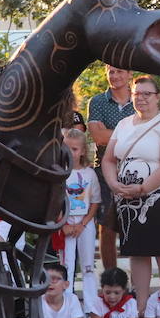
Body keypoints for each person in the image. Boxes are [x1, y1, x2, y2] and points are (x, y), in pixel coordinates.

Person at [101, 75, 160, 309]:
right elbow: (108, 160)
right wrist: (113, 184)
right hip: (128, 201)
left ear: (158, 97)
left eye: (147, 94)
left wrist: (143, 188)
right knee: (138, 254)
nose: (141, 99)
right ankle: (140, 306)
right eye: (137, 93)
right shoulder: (124, 124)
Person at [87, 65, 135, 270]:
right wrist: (133, 133)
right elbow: (97, 136)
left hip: (136, 170)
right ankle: (111, 278)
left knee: (135, 226)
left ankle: (136, 281)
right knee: (107, 226)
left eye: (120, 71)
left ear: (130, 74)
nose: (115, 76)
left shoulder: (140, 100)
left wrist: (111, 134)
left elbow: (150, 133)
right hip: (105, 171)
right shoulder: (97, 101)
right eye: (111, 71)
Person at [59, 128, 101, 299]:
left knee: (88, 264)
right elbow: (54, 202)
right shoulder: (59, 173)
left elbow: (95, 201)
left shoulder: (90, 174)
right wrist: (63, 224)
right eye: (67, 148)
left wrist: (83, 223)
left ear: (83, 151)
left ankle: (91, 305)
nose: (70, 153)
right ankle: (67, 302)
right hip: (66, 222)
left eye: (75, 149)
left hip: (85, 223)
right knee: (67, 264)